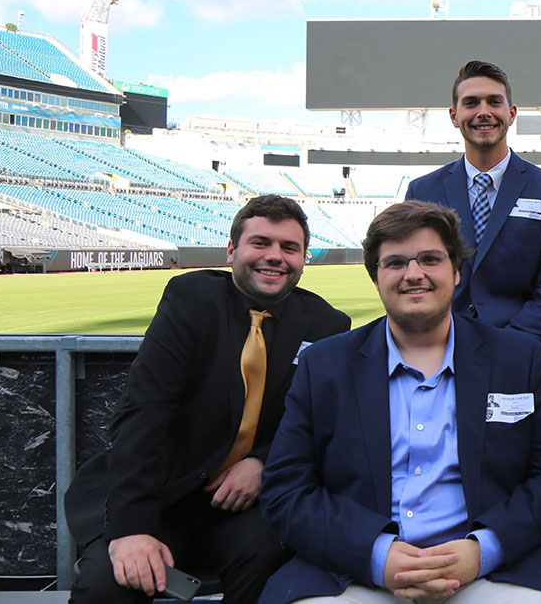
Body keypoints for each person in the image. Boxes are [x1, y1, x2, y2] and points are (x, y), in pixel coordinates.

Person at [259, 200, 541, 604]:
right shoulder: (323, 365)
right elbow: (286, 490)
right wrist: (377, 555)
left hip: (491, 571)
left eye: (430, 258)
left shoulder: (517, 358)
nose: (414, 274)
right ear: (376, 278)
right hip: (352, 573)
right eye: (395, 263)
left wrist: (482, 550)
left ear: (457, 271)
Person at [64, 195, 351, 603]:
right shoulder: (192, 299)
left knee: (272, 567)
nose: (275, 257)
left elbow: (320, 423)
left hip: (250, 508)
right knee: (107, 586)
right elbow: (145, 413)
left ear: (304, 258)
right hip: (162, 497)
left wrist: (262, 464)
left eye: (289, 248)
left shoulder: (328, 325)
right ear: (232, 250)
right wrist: (131, 531)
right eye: (260, 243)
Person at [403, 60, 541, 602]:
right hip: (439, 346)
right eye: (471, 102)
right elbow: (418, 278)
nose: (482, 111)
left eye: (493, 101)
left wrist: (502, 347)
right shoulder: (423, 188)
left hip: (529, 350)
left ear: (512, 111)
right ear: (453, 115)